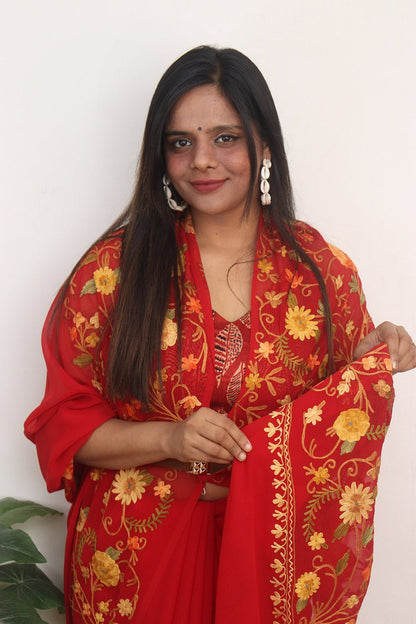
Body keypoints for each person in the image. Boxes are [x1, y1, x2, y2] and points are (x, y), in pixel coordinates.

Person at [24, 46, 415, 624]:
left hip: (270, 561)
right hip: (137, 559)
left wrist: (368, 360)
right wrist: (171, 438)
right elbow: (65, 424)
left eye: (225, 138)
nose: (202, 161)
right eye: (180, 142)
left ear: (264, 145)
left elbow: (332, 425)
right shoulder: (114, 270)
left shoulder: (320, 272)